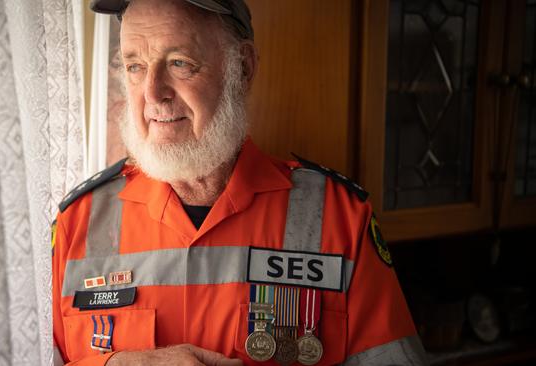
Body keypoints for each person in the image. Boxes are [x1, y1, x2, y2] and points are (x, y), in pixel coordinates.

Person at [52, 0, 428, 365]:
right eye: (135, 66)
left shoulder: (338, 217)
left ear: (243, 69)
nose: (153, 93)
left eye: (180, 63)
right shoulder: (79, 222)